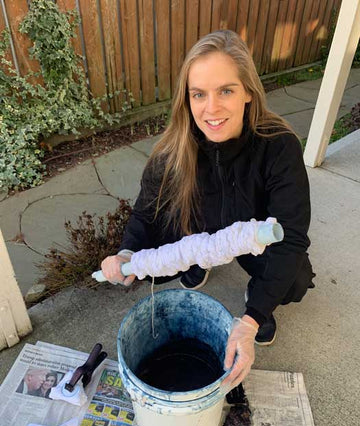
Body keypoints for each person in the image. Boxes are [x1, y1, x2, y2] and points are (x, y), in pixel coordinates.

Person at [101, 30, 315, 391]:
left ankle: (255, 296)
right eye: (199, 94)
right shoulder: (173, 149)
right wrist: (126, 252)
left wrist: (251, 319)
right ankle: (201, 260)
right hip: (198, 230)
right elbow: (145, 214)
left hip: (253, 239)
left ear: (248, 92)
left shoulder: (279, 146)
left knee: (292, 282)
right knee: (151, 268)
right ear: (187, 98)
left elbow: (291, 237)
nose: (211, 108)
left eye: (226, 91)